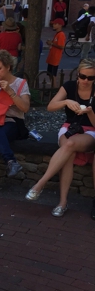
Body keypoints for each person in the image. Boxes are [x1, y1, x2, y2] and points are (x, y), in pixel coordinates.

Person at [26, 59, 95, 218]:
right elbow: (50, 106)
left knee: (69, 144)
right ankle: (62, 203)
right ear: (78, 74)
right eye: (83, 76)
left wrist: (90, 112)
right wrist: (66, 101)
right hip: (69, 127)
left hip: (90, 131)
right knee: (68, 153)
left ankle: (40, 184)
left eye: (91, 78)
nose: (86, 81)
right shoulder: (70, 86)